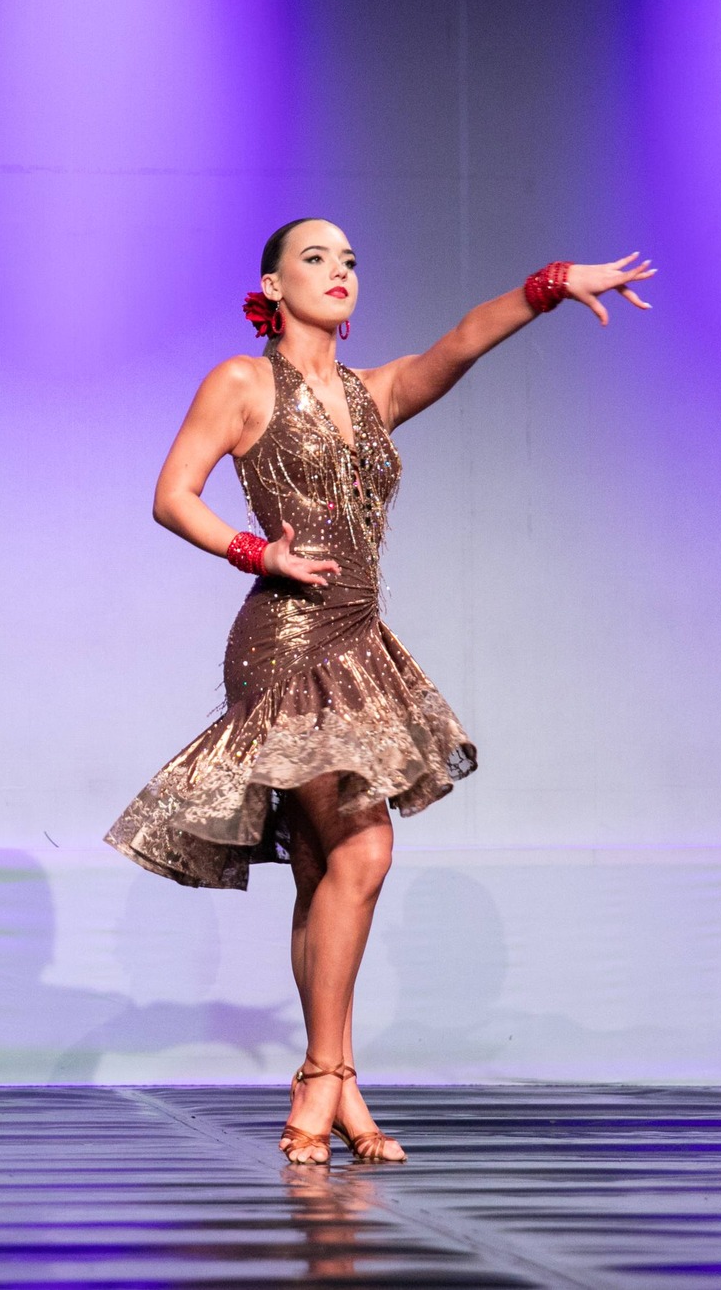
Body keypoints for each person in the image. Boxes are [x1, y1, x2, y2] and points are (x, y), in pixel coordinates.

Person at [103, 219, 656, 1163]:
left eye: (351, 260)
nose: (339, 271)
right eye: (316, 258)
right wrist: (258, 551)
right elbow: (173, 495)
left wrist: (552, 284)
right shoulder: (241, 383)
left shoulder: (375, 392)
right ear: (272, 285)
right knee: (365, 850)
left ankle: (339, 1082)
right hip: (284, 640)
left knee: (326, 870)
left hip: (359, 640)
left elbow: (463, 342)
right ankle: (324, 1074)